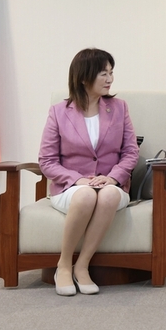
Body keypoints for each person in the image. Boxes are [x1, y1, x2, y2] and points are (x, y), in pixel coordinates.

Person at [39, 48, 139, 296]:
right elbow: (47, 161)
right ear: (84, 77)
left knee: (108, 195)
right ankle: (64, 265)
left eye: (111, 73)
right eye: (103, 73)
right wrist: (77, 180)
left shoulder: (119, 108)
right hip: (71, 189)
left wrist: (113, 177)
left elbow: (130, 152)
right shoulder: (58, 112)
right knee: (85, 195)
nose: (110, 79)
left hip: (111, 185)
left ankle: (82, 266)